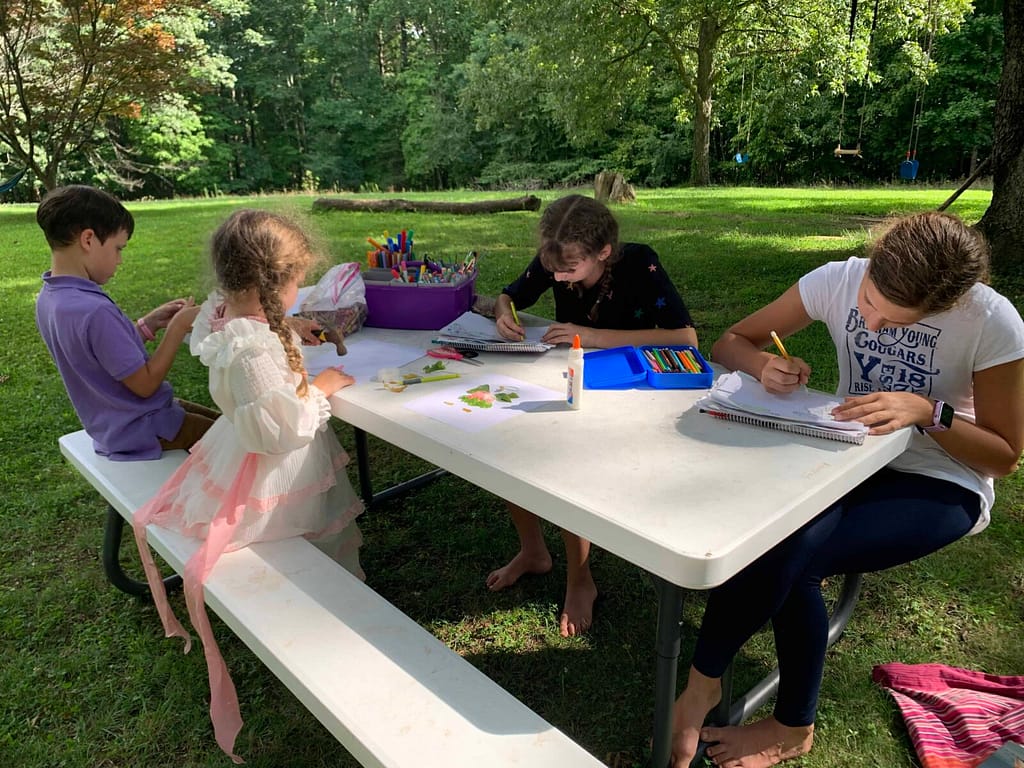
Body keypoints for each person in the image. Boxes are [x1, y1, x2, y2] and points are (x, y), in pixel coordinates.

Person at [671, 211, 1024, 768]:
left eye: (896, 324)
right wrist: (763, 364)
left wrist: (929, 412)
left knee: (792, 550)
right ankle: (710, 689)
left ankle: (759, 713)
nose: (875, 328)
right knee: (774, 536)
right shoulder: (836, 279)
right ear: (870, 267)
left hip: (943, 480)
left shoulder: (991, 320)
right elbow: (731, 341)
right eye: (870, 309)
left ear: (946, 306)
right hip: (849, 457)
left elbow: (1004, 456)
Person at [132, 209, 365, 763]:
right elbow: (276, 431)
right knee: (310, 538)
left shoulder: (225, 318)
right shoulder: (254, 350)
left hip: (236, 451)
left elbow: (251, 333)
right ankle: (327, 635)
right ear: (275, 283)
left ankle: (321, 619)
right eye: (295, 283)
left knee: (309, 538)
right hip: (273, 470)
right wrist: (322, 388)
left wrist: (292, 327)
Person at [491, 194, 698, 637]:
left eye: (569, 271)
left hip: (635, 392)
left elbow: (685, 339)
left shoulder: (639, 264)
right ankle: (533, 551)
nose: (560, 279)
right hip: (573, 380)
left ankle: (580, 577)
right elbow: (510, 293)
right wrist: (503, 311)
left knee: (564, 463)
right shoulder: (557, 256)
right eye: (554, 271)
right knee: (507, 440)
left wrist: (590, 334)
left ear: (603, 252)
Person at [35, 185, 217, 459]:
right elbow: (145, 385)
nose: (119, 260)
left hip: (116, 425)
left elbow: (100, 353)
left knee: (226, 423)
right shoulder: (93, 310)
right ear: (88, 239)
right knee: (235, 440)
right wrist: (178, 328)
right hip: (142, 427)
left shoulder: (51, 297)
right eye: (118, 248)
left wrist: (148, 324)